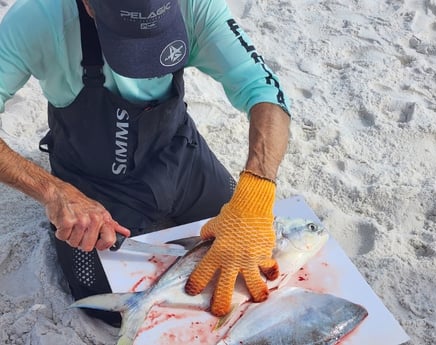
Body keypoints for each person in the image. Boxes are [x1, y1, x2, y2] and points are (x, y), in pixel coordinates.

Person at [0, 0, 291, 326]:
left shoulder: (197, 6)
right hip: (94, 185)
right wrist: (53, 192)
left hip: (179, 155)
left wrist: (257, 188)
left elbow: (263, 88)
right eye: (129, 42)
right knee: (113, 310)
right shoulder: (38, 19)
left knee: (261, 262)